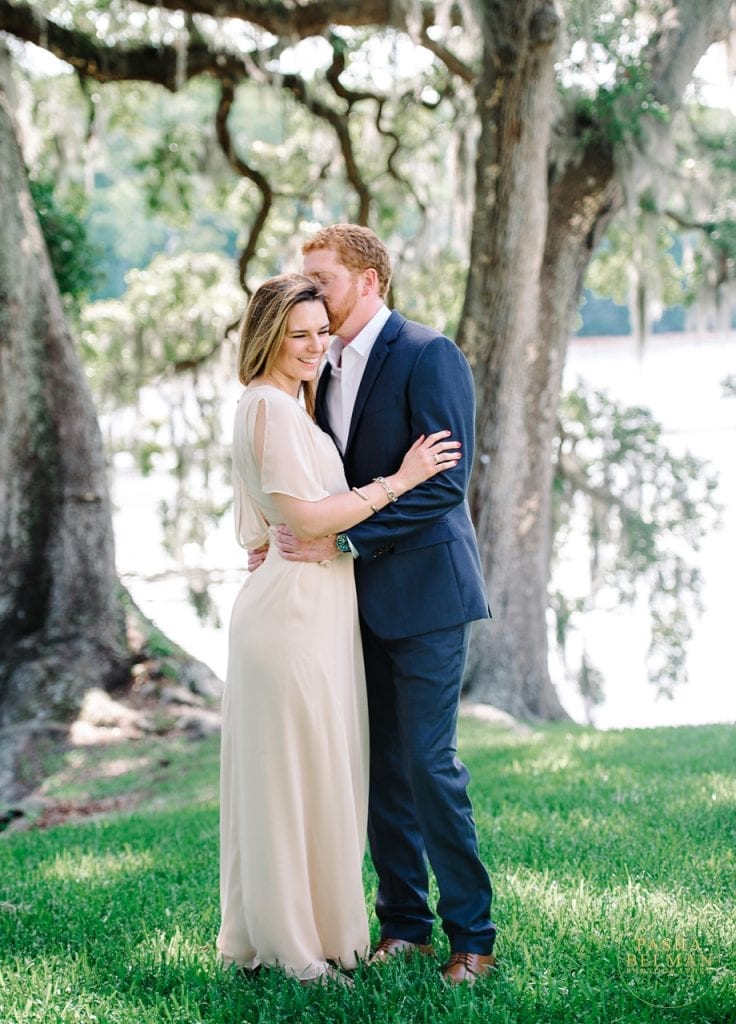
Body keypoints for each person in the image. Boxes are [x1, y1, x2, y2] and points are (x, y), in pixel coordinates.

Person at [262, 225, 497, 986]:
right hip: (348, 605)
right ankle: (405, 924)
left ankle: (473, 936)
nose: (312, 291)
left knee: (430, 765)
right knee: (379, 770)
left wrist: (347, 544)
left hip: (426, 595)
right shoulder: (314, 370)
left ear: (368, 281)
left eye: (322, 278)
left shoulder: (429, 355)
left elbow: (444, 483)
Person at [216, 273, 461, 985]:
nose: (315, 347)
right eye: (299, 335)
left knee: (317, 775)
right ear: (266, 336)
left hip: (316, 609)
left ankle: (315, 932)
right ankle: (290, 946)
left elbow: (269, 513)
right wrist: (402, 478)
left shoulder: (290, 407)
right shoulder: (268, 405)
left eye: (322, 333)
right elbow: (311, 519)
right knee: (290, 780)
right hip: (290, 617)